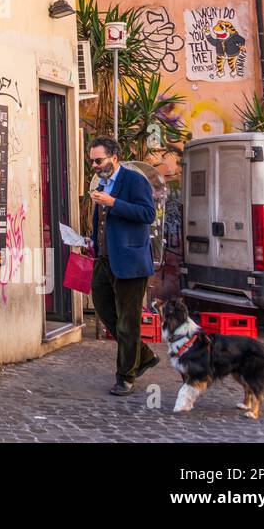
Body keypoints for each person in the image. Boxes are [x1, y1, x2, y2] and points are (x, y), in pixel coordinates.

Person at [87, 135, 160, 395]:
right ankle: (145, 356)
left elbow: (147, 214)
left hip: (130, 261)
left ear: (114, 158)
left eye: (98, 160)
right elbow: (101, 222)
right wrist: (92, 241)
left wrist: (113, 203)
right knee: (104, 308)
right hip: (104, 260)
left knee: (128, 322)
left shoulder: (134, 180)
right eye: (92, 161)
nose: (94, 165)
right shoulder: (103, 183)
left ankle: (125, 377)